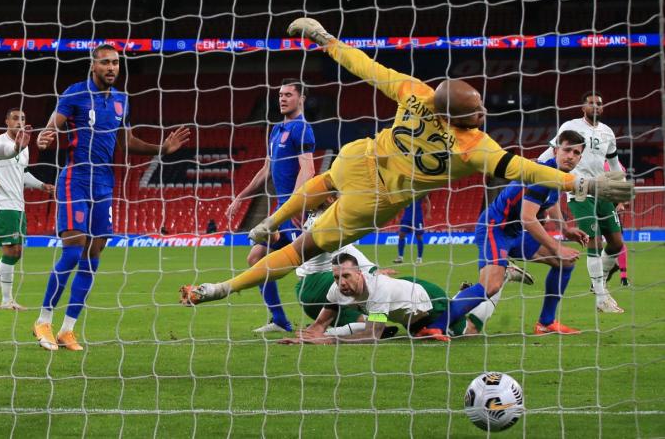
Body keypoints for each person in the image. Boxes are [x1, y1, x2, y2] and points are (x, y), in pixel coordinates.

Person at [179, 18, 632, 307]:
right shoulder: (473, 146)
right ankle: (224, 287)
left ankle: (266, 226)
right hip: (375, 199)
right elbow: (526, 168)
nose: (483, 112)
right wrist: (581, 184)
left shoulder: (416, 91)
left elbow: (364, 66)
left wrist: (324, 39)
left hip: (361, 157)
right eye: (476, 109)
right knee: (302, 249)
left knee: (323, 181)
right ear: (459, 117)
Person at [33, 44, 190, 351]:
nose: (111, 68)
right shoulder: (75, 93)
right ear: (93, 66)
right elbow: (53, 126)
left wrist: (162, 149)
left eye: (116, 63)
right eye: (105, 62)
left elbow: (126, 141)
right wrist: (45, 135)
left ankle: (68, 330)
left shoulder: (121, 101)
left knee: (93, 256)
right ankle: (43, 321)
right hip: (75, 179)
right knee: (73, 252)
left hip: (104, 183)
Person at [468, 130, 590, 336]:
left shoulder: (559, 174)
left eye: (576, 153)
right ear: (555, 150)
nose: (571, 156)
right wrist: (556, 246)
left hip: (515, 232)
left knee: (565, 263)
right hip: (496, 228)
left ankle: (546, 322)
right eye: (567, 150)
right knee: (489, 287)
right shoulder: (541, 170)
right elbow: (528, 217)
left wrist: (566, 229)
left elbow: (550, 203)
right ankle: (442, 316)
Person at [226, 79, 316, 333]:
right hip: (281, 211)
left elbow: (308, 169)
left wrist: (295, 204)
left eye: (288, 94)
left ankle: (346, 317)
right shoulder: (276, 129)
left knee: (312, 269)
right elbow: (266, 170)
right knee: (256, 257)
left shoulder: (302, 128)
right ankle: (279, 320)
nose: (282, 98)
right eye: (280, 94)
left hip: (294, 212)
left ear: (301, 99)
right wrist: (241, 196)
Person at [538, 92, 626, 313]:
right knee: (594, 242)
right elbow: (553, 151)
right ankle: (601, 297)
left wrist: (621, 195)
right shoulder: (571, 126)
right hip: (578, 189)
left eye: (599, 103)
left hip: (603, 189)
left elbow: (614, 166)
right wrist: (535, 166)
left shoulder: (608, 132)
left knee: (616, 243)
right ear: (582, 106)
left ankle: (598, 282)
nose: (595, 106)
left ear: (603, 108)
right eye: (591, 103)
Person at [280, 252, 467, 344]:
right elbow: (320, 325)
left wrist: (328, 340)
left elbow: (372, 335)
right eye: (337, 277)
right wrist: (304, 339)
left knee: (467, 331)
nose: (341, 283)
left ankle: (466, 295)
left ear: (360, 274)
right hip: (408, 310)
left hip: (432, 302)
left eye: (346, 276)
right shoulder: (336, 290)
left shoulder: (378, 290)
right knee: (415, 335)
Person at [0, 109, 54, 310]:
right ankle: (7, 300)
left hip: (18, 204)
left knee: (16, 252)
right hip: (2, 203)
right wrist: (18, 147)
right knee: (11, 250)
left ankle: (4, 299)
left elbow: (23, 173)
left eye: (23, 118)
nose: (19, 122)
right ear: (6, 121)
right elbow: (6, 152)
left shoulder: (25, 148)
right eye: (15, 118)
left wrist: (41, 185)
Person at [603, 160, 631, 288]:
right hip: (598, 204)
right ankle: (606, 274)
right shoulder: (615, 163)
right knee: (608, 241)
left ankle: (622, 276)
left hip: (609, 205)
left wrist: (620, 203)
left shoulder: (614, 163)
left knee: (617, 241)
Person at [393, 195, 431, 264]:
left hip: (417, 217)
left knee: (419, 236)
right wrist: (397, 216)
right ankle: (400, 257)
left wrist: (428, 213)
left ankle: (419, 258)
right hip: (407, 217)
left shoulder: (419, 191)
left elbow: (427, 201)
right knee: (401, 235)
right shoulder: (405, 191)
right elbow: (399, 204)